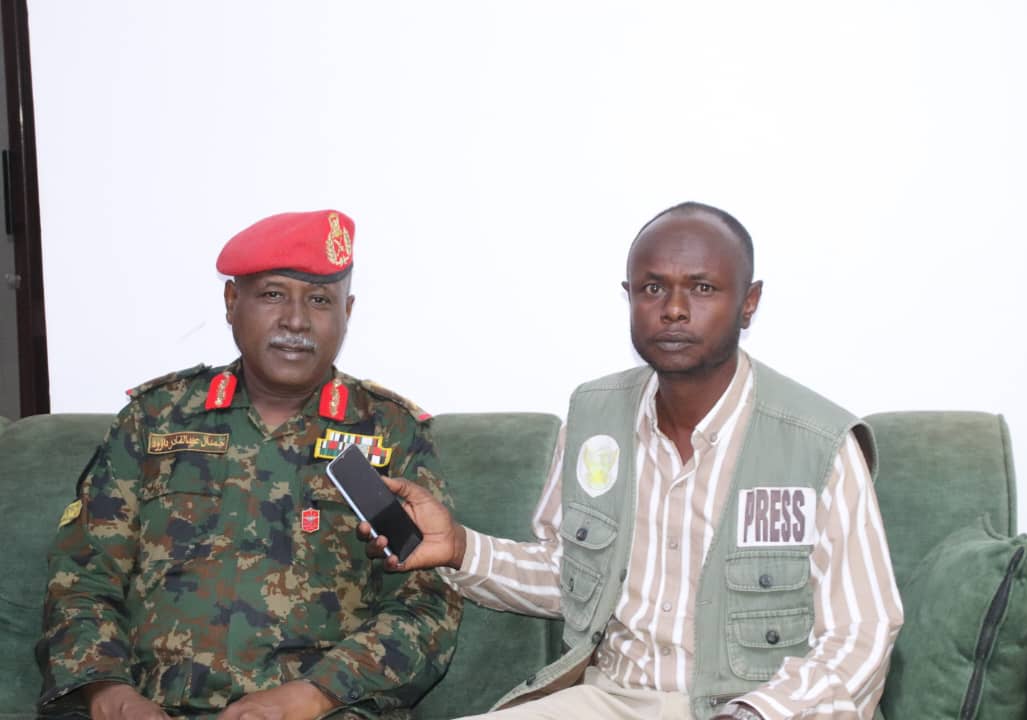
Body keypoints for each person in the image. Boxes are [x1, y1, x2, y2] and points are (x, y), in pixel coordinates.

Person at [364, 202, 904, 720]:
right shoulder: (595, 417)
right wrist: (460, 548)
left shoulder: (817, 442)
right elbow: (571, 578)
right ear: (629, 296)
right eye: (652, 288)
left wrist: (755, 714)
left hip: (754, 706)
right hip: (611, 701)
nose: (673, 309)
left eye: (702, 288)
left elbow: (862, 634)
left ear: (749, 301)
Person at [37, 210, 462, 720]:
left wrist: (311, 696)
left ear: (347, 311)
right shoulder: (153, 419)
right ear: (231, 302)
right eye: (273, 294)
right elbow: (82, 578)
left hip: (322, 710)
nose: (296, 321)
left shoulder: (390, 434)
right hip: (148, 704)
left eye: (320, 300)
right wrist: (110, 694)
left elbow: (424, 605)